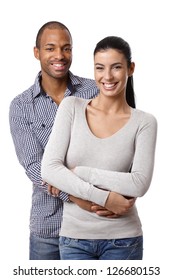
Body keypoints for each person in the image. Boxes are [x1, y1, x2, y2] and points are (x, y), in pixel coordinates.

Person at [41, 36, 158, 260]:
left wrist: (79, 173)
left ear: (130, 69)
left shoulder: (145, 122)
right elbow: (49, 169)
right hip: (74, 240)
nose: (107, 76)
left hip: (124, 240)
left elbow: (139, 183)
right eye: (99, 68)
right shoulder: (71, 107)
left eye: (116, 67)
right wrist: (105, 198)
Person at [9, 21, 107, 260]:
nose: (59, 56)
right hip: (48, 229)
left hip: (94, 226)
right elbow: (34, 166)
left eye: (66, 48)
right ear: (37, 52)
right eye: (50, 48)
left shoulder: (95, 92)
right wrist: (74, 196)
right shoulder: (21, 106)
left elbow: (110, 147)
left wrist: (61, 176)